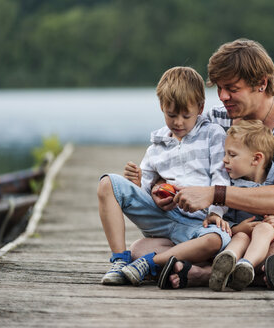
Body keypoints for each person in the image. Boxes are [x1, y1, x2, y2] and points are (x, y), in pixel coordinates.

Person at [131, 39, 274, 290]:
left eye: (232, 89)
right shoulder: (214, 120)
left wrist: (215, 194)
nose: (223, 97)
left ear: (262, 83)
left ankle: (207, 272)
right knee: (141, 249)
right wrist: (161, 188)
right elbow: (172, 156)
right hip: (223, 235)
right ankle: (259, 269)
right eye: (219, 88)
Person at [97, 66, 232, 286]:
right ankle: (120, 260)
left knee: (217, 240)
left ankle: (150, 263)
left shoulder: (212, 134)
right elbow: (145, 194)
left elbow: (220, 175)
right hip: (164, 219)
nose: (178, 122)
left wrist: (216, 212)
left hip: (198, 225)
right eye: (171, 115)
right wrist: (139, 183)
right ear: (162, 106)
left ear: (200, 107)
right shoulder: (156, 147)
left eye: (186, 116)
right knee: (107, 184)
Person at [207, 120, 274, 291]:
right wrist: (237, 228)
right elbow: (225, 216)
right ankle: (226, 262)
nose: (224, 160)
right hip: (241, 237)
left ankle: (246, 266)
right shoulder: (230, 185)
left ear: (256, 159)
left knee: (264, 229)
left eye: (231, 155)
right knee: (240, 237)